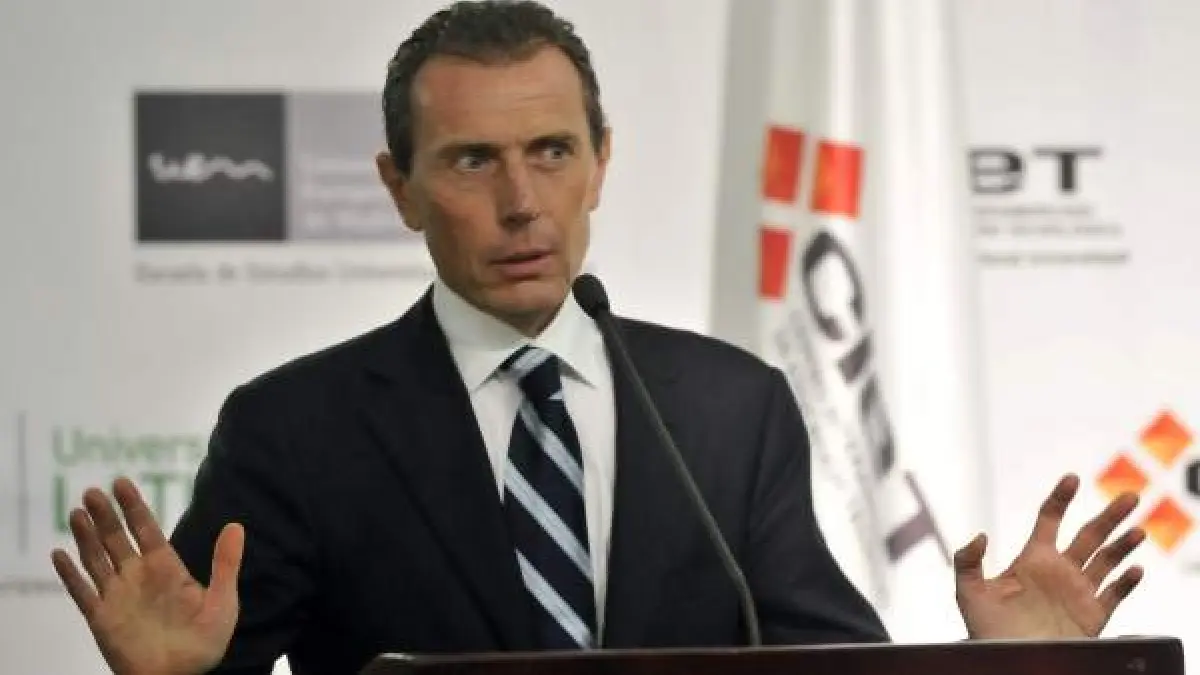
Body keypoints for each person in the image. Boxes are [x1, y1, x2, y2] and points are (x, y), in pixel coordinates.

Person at [49, 2, 1148, 674]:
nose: (522, 202)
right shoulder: (296, 430)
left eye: (552, 151)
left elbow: (829, 673)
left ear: (601, 162)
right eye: (473, 161)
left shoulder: (730, 406)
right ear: (400, 187)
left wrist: (1019, 673)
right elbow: (203, 654)